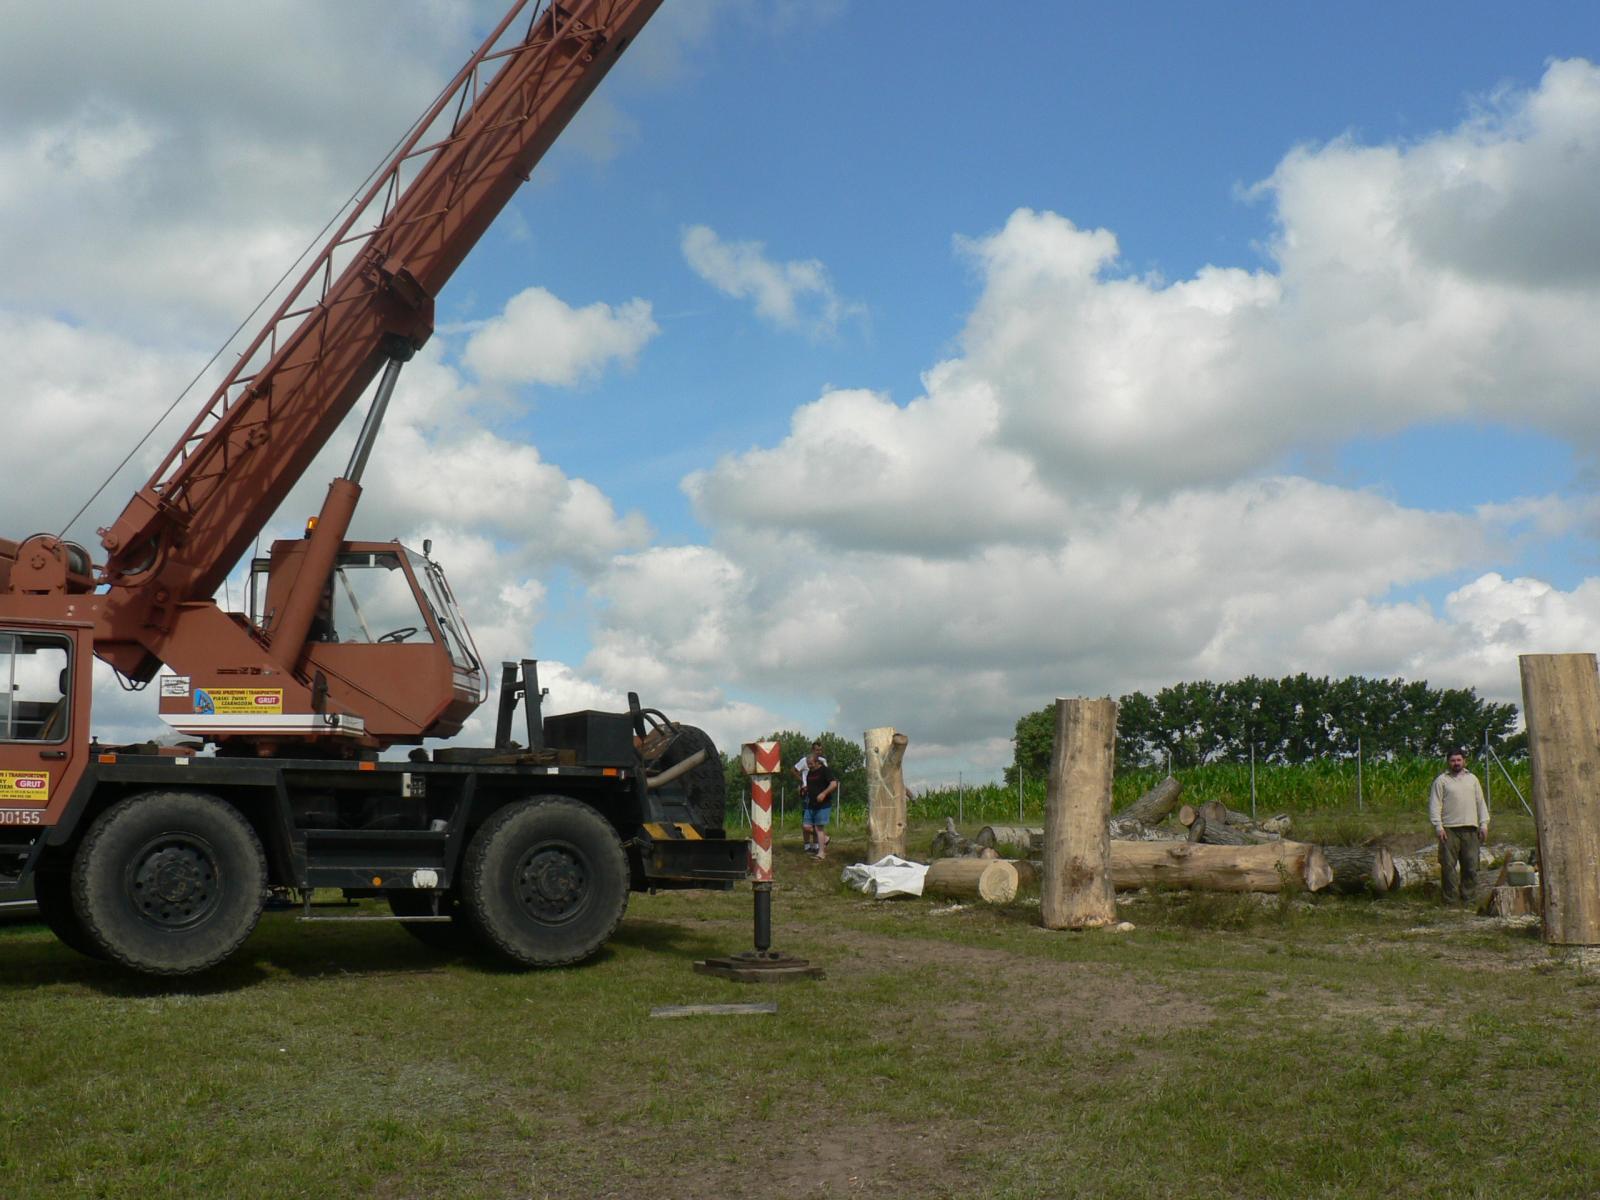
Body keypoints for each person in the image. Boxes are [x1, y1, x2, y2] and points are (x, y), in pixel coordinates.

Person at [1428, 747, 1489, 908]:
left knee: (1471, 865)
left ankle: (1469, 899)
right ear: (1448, 762)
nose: (1456, 763)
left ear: (1464, 761)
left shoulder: (1472, 779)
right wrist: (1438, 826)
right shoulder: (1442, 781)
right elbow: (1435, 805)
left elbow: (1480, 803)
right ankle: (1450, 900)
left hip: (1471, 829)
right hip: (1449, 829)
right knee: (1448, 866)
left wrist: (1484, 824)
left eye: (1458, 760)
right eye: (1453, 760)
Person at [802, 747, 838, 860]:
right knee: (806, 827)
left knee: (818, 828)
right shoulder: (810, 773)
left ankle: (821, 853)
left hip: (823, 805)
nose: (809, 766)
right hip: (811, 803)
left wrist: (823, 794)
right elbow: (811, 786)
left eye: (811, 764)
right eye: (808, 764)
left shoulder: (825, 771)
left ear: (817, 762)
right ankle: (825, 838)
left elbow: (834, 784)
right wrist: (805, 790)